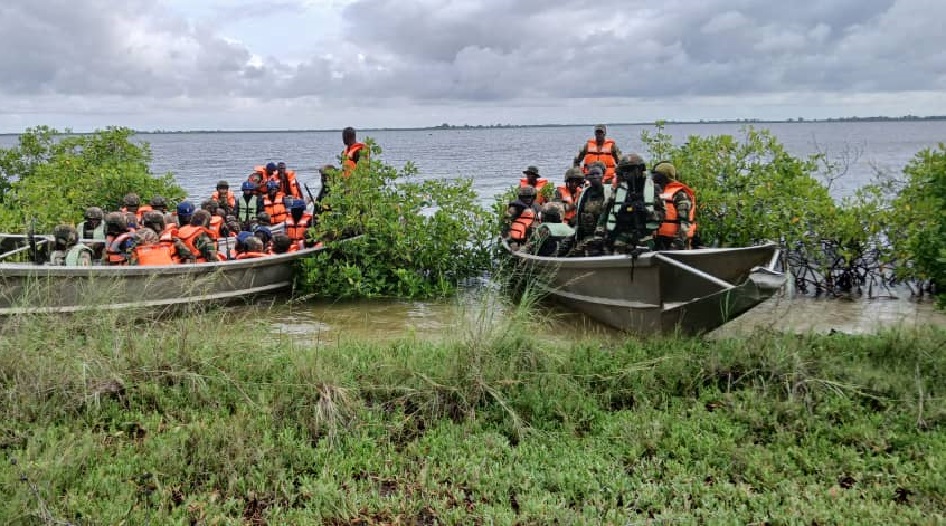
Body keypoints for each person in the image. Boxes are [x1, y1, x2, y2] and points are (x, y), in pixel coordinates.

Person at [596, 154, 664, 255]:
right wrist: (599, 236)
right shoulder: (620, 189)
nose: (626, 173)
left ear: (639, 169)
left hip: (644, 236)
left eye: (629, 170)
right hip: (622, 235)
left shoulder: (652, 188)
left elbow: (662, 215)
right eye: (624, 170)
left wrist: (646, 212)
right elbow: (605, 213)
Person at [650, 161, 697, 250]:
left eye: (657, 175)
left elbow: (685, 223)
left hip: (676, 244)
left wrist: (677, 244)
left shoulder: (680, 194)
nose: (654, 177)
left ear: (665, 176)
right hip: (659, 242)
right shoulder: (658, 192)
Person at [570, 166, 610, 254]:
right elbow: (580, 215)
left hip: (604, 234)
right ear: (588, 178)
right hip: (587, 233)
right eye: (592, 174)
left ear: (602, 176)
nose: (595, 177)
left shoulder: (608, 192)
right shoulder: (585, 193)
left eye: (597, 174)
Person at [503, 186, 539, 251]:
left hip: (528, 236)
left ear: (533, 197)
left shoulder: (536, 206)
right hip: (517, 238)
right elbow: (507, 219)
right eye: (525, 197)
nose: (527, 199)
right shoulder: (515, 207)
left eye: (529, 197)